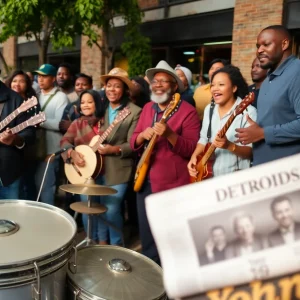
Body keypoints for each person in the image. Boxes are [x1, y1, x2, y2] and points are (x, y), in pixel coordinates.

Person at [130, 60, 200, 264]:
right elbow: (133, 139)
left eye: (164, 81)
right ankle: (151, 279)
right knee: (147, 236)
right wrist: (142, 135)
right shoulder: (147, 109)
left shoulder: (187, 111)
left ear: (175, 86)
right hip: (144, 180)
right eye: (154, 81)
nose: (158, 84)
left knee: (170, 238)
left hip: (171, 185)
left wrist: (170, 134)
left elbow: (192, 148)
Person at [61, 68, 141, 246]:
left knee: (111, 210)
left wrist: (113, 149)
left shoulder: (135, 111)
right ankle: (99, 243)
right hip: (93, 169)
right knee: (92, 208)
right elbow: (80, 129)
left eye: (117, 86)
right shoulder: (100, 107)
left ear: (125, 90)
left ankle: (116, 246)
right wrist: (73, 152)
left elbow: (133, 144)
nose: (112, 89)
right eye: (109, 85)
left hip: (117, 169)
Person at [235, 25, 300, 166]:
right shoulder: (268, 78)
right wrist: (255, 130)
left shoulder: (297, 73)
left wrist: (263, 133)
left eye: (266, 44)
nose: (259, 50)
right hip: (263, 168)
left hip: (287, 173)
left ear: (284, 44)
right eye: (258, 46)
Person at [188, 65, 257, 179]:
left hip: (235, 180)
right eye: (213, 85)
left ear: (234, 88)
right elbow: (204, 138)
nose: (215, 89)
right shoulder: (209, 109)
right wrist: (194, 157)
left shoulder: (249, 112)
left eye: (221, 85)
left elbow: (251, 152)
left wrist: (229, 145)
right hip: (207, 177)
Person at [34, 64, 69, 205]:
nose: (40, 79)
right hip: (35, 148)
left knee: (46, 187)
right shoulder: (35, 95)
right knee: (36, 185)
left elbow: (59, 124)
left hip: (52, 150)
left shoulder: (61, 97)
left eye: (45, 76)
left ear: (53, 78)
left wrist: (37, 121)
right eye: (39, 76)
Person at [0, 71, 35, 199]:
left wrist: (15, 139)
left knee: (10, 217)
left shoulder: (16, 100)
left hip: (6, 174)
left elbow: (30, 134)